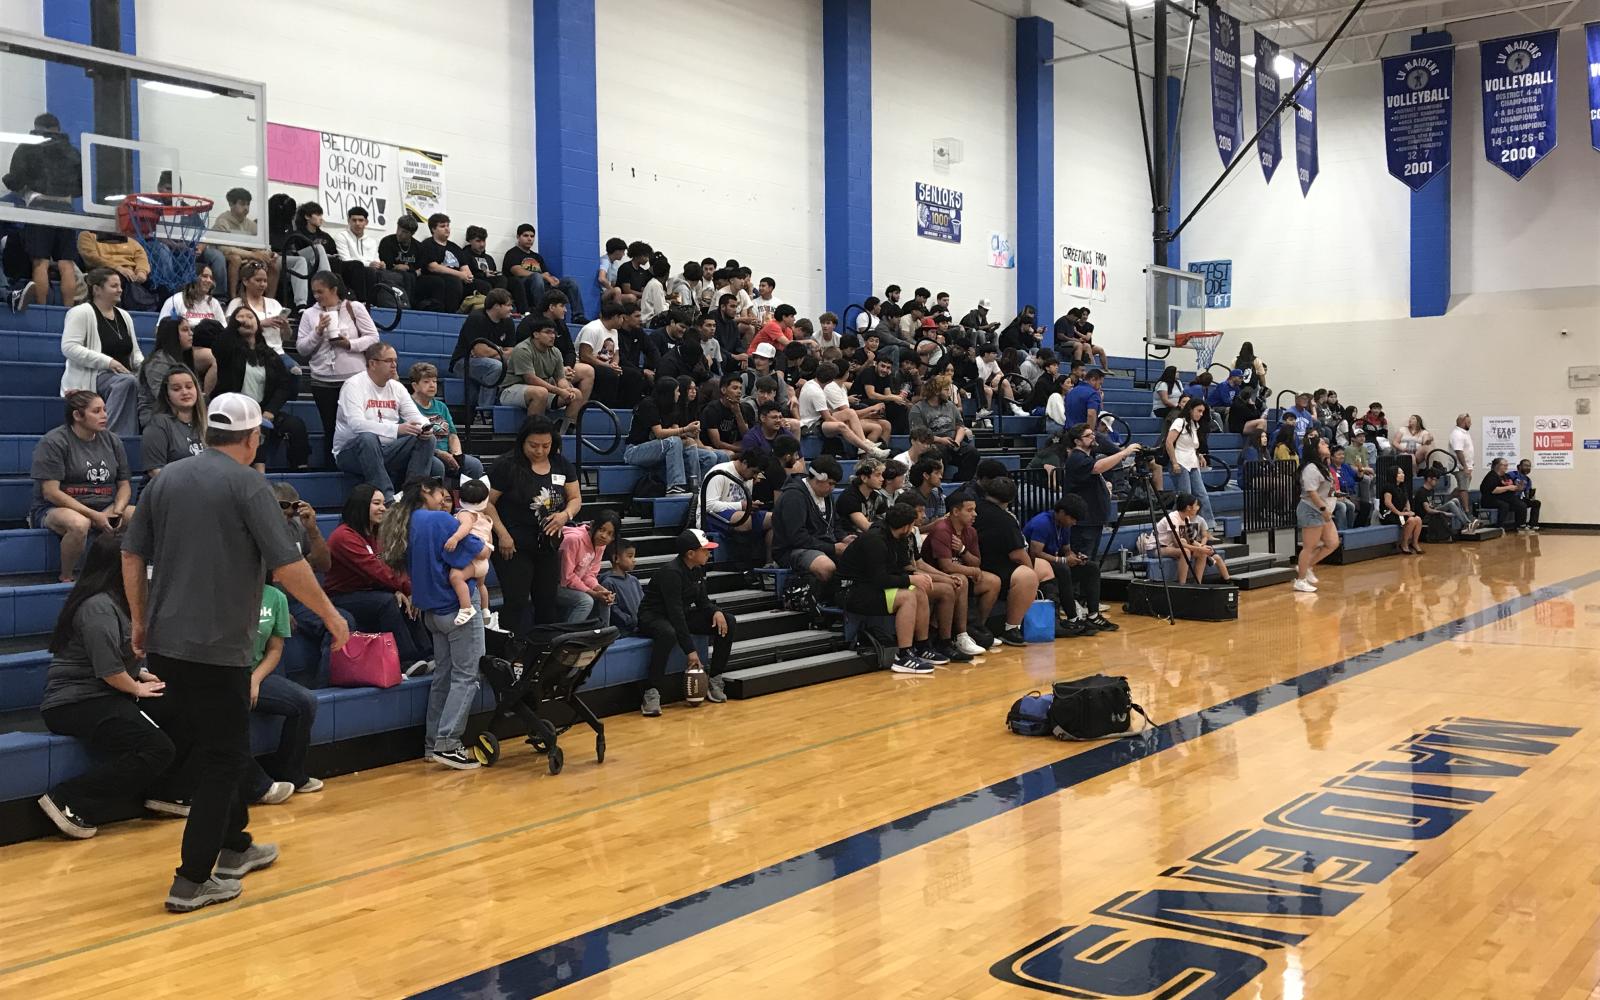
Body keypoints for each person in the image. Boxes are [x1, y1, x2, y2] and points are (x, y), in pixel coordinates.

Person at [121, 392, 348, 912]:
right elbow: (289, 567)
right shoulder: (251, 485)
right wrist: (333, 616)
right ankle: (192, 880)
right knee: (224, 758)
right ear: (252, 438)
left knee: (214, 746)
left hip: (166, 644)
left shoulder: (166, 479)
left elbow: (131, 552)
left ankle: (234, 844)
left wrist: (137, 620)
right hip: (219, 649)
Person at [34, 534, 175, 840]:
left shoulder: (122, 601)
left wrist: (141, 675)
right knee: (156, 748)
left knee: (179, 710)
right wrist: (135, 688)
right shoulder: (97, 607)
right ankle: (69, 797)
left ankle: (169, 792)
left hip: (106, 692)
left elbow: (121, 659)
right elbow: (109, 670)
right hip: (74, 703)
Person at [378, 480, 485, 769]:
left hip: (432, 614)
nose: (444, 500)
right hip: (457, 609)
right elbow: (478, 551)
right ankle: (449, 743)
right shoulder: (439, 520)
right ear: (426, 490)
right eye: (441, 494)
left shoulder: (407, 521)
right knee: (466, 677)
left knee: (444, 677)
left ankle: (432, 744)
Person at [484, 416, 582, 634]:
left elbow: (575, 498)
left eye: (545, 446)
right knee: (516, 600)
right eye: (533, 445)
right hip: (513, 544)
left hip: (547, 544)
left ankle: (544, 652)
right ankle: (509, 651)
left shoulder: (560, 463)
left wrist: (565, 515)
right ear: (523, 442)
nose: (539, 451)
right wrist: (503, 534)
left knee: (547, 601)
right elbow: (487, 503)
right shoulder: (506, 465)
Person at [322, 483, 433, 674]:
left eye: (383, 503)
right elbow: (376, 570)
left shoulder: (375, 534)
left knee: (404, 600)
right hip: (342, 597)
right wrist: (408, 588)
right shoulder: (343, 537)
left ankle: (427, 655)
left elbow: (392, 567)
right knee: (388, 601)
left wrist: (402, 590)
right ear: (361, 505)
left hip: (370, 590)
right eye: (376, 503)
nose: (383, 508)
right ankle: (406, 661)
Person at [31, 391, 133, 583]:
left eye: (104, 409)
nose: (104, 415)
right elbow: (51, 492)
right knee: (79, 524)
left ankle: (130, 575)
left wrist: (117, 511)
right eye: (96, 411)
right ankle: (67, 577)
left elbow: (125, 485)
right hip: (58, 508)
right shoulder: (54, 442)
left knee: (140, 515)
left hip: (105, 506)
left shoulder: (113, 441)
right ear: (78, 415)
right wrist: (94, 516)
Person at [636, 529, 736, 716]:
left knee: (728, 621)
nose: (709, 553)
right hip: (653, 616)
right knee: (668, 633)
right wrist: (690, 651)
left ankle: (714, 678)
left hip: (680, 613)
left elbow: (703, 602)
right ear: (690, 554)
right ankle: (651, 691)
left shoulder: (696, 570)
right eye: (705, 550)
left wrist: (717, 612)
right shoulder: (671, 573)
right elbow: (675, 614)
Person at [836, 504, 944, 673]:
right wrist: (911, 578)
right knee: (907, 597)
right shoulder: (875, 540)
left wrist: (920, 576)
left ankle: (922, 647)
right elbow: (879, 579)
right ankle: (903, 655)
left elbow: (902, 567)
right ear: (907, 526)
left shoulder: (898, 537)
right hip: (851, 591)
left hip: (870, 587)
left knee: (919, 591)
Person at [239, 583, 321, 805]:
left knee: (305, 702)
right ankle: (256, 785)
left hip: (258, 674)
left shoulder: (275, 597)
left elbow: (275, 649)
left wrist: (254, 680)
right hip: (226, 675)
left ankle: (290, 771)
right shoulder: (222, 591)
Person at [332, 343, 443, 495]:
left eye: (395, 361)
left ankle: (412, 496)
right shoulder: (353, 385)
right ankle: (387, 498)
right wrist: (396, 429)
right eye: (389, 361)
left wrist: (425, 427)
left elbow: (415, 415)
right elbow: (356, 424)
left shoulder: (396, 387)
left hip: (388, 449)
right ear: (373, 363)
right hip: (351, 452)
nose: (394, 365)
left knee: (427, 440)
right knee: (368, 437)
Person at [298, 271, 381, 468]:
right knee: (330, 426)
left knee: (357, 424)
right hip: (322, 379)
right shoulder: (310, 314)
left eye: (321, 291)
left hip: (353, 379)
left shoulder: (354, 307)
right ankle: (332, 466)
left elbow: (373, 337)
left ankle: (361, 464)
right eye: (314, 292)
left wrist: (349, 344)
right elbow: (302, 348)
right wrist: (317, 332)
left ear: (334, 289)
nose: (317, 296)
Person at [214, 307, 309, 471]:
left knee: (296, 425)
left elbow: (283, 384)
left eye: (250, 317)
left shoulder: (269, 354)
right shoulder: (228, 350)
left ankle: (300, 467)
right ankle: (257, 473)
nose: (245, 320)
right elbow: (219, 345)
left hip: (264, 410)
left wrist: (271, 411)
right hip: (235, 410)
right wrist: (235, 323)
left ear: (258, 324)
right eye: (241, 317)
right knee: (256, 429)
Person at [4, 112, 82, 310]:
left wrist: (8, 180)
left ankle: (42, 309)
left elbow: (16, 179)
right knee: (66, 264)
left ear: (36, 126)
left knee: (41, 262)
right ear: (58, 128)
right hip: (66, 206)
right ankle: (68, 310)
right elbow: (81, 187)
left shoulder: (27, 146)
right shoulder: (72, 152)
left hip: (39, 206)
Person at [61, 268, 143, 437]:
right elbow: (69, 347)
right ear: (97, 289)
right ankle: (110, 437)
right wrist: (108, 362)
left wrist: (146, 367)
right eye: (114, 286)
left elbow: (135, 353)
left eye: (120, 285)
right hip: (94, 376)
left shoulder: (125, 316)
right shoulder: (81, 312)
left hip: (124, 374)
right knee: (126, 383)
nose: (120, 289)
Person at [1023, 494, 1113, 633]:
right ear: (1062, 512)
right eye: (1072, 518)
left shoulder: (1064, 525)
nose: (1074, 522)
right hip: (1035, 566)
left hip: (1055, 564)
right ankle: (1072, 618)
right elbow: (1035, 553)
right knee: (1063, 569)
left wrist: (1076, 557)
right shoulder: (1041, 523)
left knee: (1091, 568)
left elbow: (1067, 551)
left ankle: (1093, 615)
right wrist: (1063, 560)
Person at [500, 316, 595, 435]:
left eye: (554, 333)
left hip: (541, 389)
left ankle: (564, 433)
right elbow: (530, 379)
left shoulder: (555, 352)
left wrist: (567, 389)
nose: (552, 336)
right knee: (540, 393)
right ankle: (532, 433)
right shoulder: (523, 349)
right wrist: (559, 391)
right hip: (511, 390)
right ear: (536, 334)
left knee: (576, 394)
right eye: (547, 332)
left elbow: (560, 378)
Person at [1061, 422, 1142, 557]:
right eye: (1088, 435)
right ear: (1077, 441)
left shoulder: (1087, 457)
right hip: (1084, 521)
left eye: (1093, 433)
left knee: (1091, 558)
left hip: (1094, 519)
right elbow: (1096, 468)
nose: (1093, 437)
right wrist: (1124, 452)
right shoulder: (1076, 458)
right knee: (1083, 559)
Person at [626, 379, 717, 496]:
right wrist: (685, 429)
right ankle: (675, 486)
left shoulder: (672, 407)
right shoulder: (648, 404)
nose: (679, 394)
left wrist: (689, 434)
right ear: (668, 393)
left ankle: (695, 486)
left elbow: (675, 432)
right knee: (674, 442)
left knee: (708, 456)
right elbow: (659, 433)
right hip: (635, 451)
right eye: (677, 391)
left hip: (660, 448)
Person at [773, 455, 850, 582]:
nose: (832, 489)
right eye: (830, 483)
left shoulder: (825, 493)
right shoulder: (794, 497)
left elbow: (835, 523)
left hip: (822, 545)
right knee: (826, 567)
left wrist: (844, 538)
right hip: (793, 550)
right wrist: (833, 548)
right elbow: (797, 538)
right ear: (819, 478)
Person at [408, 362, 484, 482]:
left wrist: (456, 455)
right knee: (437, 465)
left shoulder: (441, 406)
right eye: (426, 382)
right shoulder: (408, 406)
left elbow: (452, 434)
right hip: (426, 455)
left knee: (474, 465)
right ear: (415, 385)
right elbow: (410, 439)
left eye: (434, 381)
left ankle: (469, 499)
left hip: (448, 454)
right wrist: (441, 454)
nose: (432, 385)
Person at [157, 267, 225, 393]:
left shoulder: (214, 303)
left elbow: (224, 331)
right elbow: (160, 330)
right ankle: (205, 399)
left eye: (211, 277)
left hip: (209, 347)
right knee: (214, 358)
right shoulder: (175, 300)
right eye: (204, 276)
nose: (209, 280)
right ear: (192, 277)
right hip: (181, 350)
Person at [450, 288, 517, 411]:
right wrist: (501, 351)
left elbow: (512, 351)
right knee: (497, 367)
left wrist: (494, 351)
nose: (511, 309)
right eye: (508, 305)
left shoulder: (508, 322)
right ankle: (484, 411)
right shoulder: (476, 318)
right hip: (463, 362)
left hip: (486, 361)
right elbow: (480, 351)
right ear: (497, 306)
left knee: (513, 364)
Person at [502, 223, 588, 319]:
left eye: (532, 236)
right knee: (537, 277)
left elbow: (546, 273)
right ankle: (541, 313)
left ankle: (578, 316)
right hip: (525, 287)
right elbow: (517, 271)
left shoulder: (537, 256)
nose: (529, 239)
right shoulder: (512, 253)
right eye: (526, 236)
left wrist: (552, 279)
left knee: (570, 282)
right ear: (518, 237)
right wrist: (543, 276)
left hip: (542, 286)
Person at [210, 188, 278, 303]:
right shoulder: (222, 221)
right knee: (235, 259)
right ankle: (233, 298)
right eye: (242, 204)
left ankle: (269, 301)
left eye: (248, 204)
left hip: (247, 257)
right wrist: (253, 254)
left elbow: (261, 246)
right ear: (231, 204)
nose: (246, 208)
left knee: (273, 264)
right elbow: (225, 249)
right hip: (226, 257)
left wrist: (269, 254)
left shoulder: (251, 224)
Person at [556, 511, 620, 625]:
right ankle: (567, 637)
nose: (604, 536)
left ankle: (604, 635)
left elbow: (589, 574)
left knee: (605, 597)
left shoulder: (600, 544)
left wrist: (600, 590)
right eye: (601, 529)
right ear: (592, 525)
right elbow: (567, 577)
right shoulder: (574, 540)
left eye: (610, 534)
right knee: (586, 601)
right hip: (555, 585)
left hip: (572, 585)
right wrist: (593, 593)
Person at [909, 374, 978, 480]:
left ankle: (961, 481)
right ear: (936, 391)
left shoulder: (950, 405)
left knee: (972, 453)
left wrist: (957, 442)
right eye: (946, 389)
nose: (949, 393)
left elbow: (960, 426)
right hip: (932, 443)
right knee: (938, 452)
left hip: (953, 441)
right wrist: (941, 440)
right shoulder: (917, 409)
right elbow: (918, 435)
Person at [141, 366, 207, 476]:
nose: (185, 392)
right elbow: (155, 472)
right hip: (169, 489)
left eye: (189, 387)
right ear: (167, 395)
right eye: (177, 389)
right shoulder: (158, 424)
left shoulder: (207, 422)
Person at [1294, 437, 1339, 593]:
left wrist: (1334, 494)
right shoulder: (1311, 468)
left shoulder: (1323, 466)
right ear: (1314, 449)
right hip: (1311, 510)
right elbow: (1311, 492)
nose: (1326, 445)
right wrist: (1323, 509)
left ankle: (1307, 567)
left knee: (1332, 543)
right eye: (1322, 443)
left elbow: (1324, 489)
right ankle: (1300, 580)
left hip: (1322, 509)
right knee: (1309, 546)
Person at [1155, 493, 1231, 585]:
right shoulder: (1173, 518)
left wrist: (1202, 547)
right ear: (1188, 507)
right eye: (1196, 505)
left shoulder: (1185, 518)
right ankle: (1182, 585)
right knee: (1185, 551)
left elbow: (1188, 539)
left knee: (1202, 553)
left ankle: (1197, 584)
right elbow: (1178, 543)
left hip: (1169, 547)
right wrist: (1199, 548)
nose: (1197, 507)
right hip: (1156, 548)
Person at [1165, 396, 1218, 528]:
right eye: (1199, 411)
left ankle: (1208, 526)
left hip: (1192, 463)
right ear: (1190, 409)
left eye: (1202, 412)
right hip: (1180, 462)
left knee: (1202, 495)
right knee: (1185, 497)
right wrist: (1174, 462)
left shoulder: (1195, 425)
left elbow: (1192, 446)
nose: (1201, 414)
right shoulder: (1179, 422)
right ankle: (1177, 525)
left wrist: (1199, 455)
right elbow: (1169, 442)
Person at [226, 257, 294, 357]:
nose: (262, 284)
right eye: (258, 280)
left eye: (265, 281)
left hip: (277, 353)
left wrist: (286, 327)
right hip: (248, 352)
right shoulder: (236, 303)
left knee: (296, 371)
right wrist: (261, 323)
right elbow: (230, 330)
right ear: (245, 281)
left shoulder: (274, 303)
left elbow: (286, 337)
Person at [332, 205, 400, 304]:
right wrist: (369, 264)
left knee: (380, 272)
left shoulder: (372, 241)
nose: (357, 223)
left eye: (360, 220)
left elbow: (375, 259)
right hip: (348, 270)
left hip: (367, 271)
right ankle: (363, 302)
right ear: (349, 221)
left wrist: (380, 264)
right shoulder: (341, 236)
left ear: (366, 222)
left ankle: (384, 303)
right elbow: (345, 259)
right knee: (361, 267)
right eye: (354, 220)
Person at [138, 317, 196, 429]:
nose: (191, 333)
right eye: (185, 330)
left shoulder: (184, 358)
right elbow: (163, 397)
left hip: (182, 411)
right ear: (172, 335)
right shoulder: (157, 362)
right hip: (155, 416)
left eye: (190, 329)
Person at [413, 213, 474, 313]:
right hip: (434, 277)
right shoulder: (427, 244)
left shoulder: (455, 247)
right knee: (452, 281)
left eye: (448, 225)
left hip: (456, 277)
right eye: (442, 226)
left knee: (481, 285)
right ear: (433, 229)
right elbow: (433, 267)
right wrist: (460, 274)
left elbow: (464, 267)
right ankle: (450, 314)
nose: (447, 229)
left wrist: (468, 276)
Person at [1377, 463, 1425, 554]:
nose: (1403, 475)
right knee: (1411, 520)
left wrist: (1408, 509)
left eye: (1403, 473)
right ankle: (1404, 544)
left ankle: (1414, 543)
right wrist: (1399, 513)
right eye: (1399, 473)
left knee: (1418, 519)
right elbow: (1388, 503)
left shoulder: (1402, 487)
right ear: (1393, 475)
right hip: (1389, 515)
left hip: (1400, 515)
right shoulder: (1388, 487)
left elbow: (1406, 500)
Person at [1415, 467, 1477, 535]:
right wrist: (1443, 513)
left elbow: (1432, 505)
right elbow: (1428, 510)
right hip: (1425, 517)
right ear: (1429, 479)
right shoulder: (1421, 492)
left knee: (1455, 500)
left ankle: (1468, 523)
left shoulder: (1431, 490)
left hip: (1432, 511)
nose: (1437, 482)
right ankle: (1467, 524)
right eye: (1436, 480)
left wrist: (1439, 508)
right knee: (1451, 504)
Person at [600, 540, 644, 635]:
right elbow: (613, 610)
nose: (634, 560)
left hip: (639, 627)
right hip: (622, 632)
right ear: (616, 558)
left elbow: (643, 602)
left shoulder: (634, 580)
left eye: (634, 556)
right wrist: (630, 622)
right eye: (629, 556)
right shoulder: (608, 582)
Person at [835, 456, 888, 534]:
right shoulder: (849, 498)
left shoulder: (876, 496)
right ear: (864, 478)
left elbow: (888, 518)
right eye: (877, 475)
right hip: (851, 538)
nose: (882, 479)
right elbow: (866, 527)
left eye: (882, 475)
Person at [376, 214, 421, 303]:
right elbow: (388, 264)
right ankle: (406, 304)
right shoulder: (387, 242)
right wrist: (411, 269)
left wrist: (407, 267)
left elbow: (420, 266)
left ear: (412, 234)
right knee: (406, 276)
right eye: (399, 228)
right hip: (391, 273)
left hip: (411, 274)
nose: (400, 233)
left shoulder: (418, 246)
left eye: (404, 232)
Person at [1479, 458, 1528, 531]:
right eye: (1504, 465)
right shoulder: (1491, 476)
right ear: (1497, 466)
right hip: (1490, 499)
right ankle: (1499, 527)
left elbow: (1511, 487)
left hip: (1503, 498)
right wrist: (1508, 488)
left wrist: (1518, 488)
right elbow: (1493, 490)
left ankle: (1519, 525)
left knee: (1520, 505)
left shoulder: (1505, 476)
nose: (1506, 467)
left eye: (1507, 465)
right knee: (1505, 505)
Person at [1449, 414, 1475, 511]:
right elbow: (1458, 451)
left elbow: (1467, 450)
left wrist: (1470, 464)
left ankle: (1447, 502)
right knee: (1464, 489)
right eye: (1468, 422)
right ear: (1462, 422)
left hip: (1466, 465)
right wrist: (1465, 467)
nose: (1470, 424)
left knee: (1462, 487)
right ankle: (1467, 511)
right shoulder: (1457, 434)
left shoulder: (1464, 433)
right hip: (1460, 467)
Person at [1510, 459, 1541, 532]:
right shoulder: (1512, 474)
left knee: (1536, 503)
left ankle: (1532, 525)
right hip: (1510, 497)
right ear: (1520, 466)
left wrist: (1531, 496)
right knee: (1522, 504)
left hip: (1519, 498)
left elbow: (1527, 493)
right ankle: (1521, 526)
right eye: (1526, 465)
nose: (1528, 468)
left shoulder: (1527, 479)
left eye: (1529, 466)